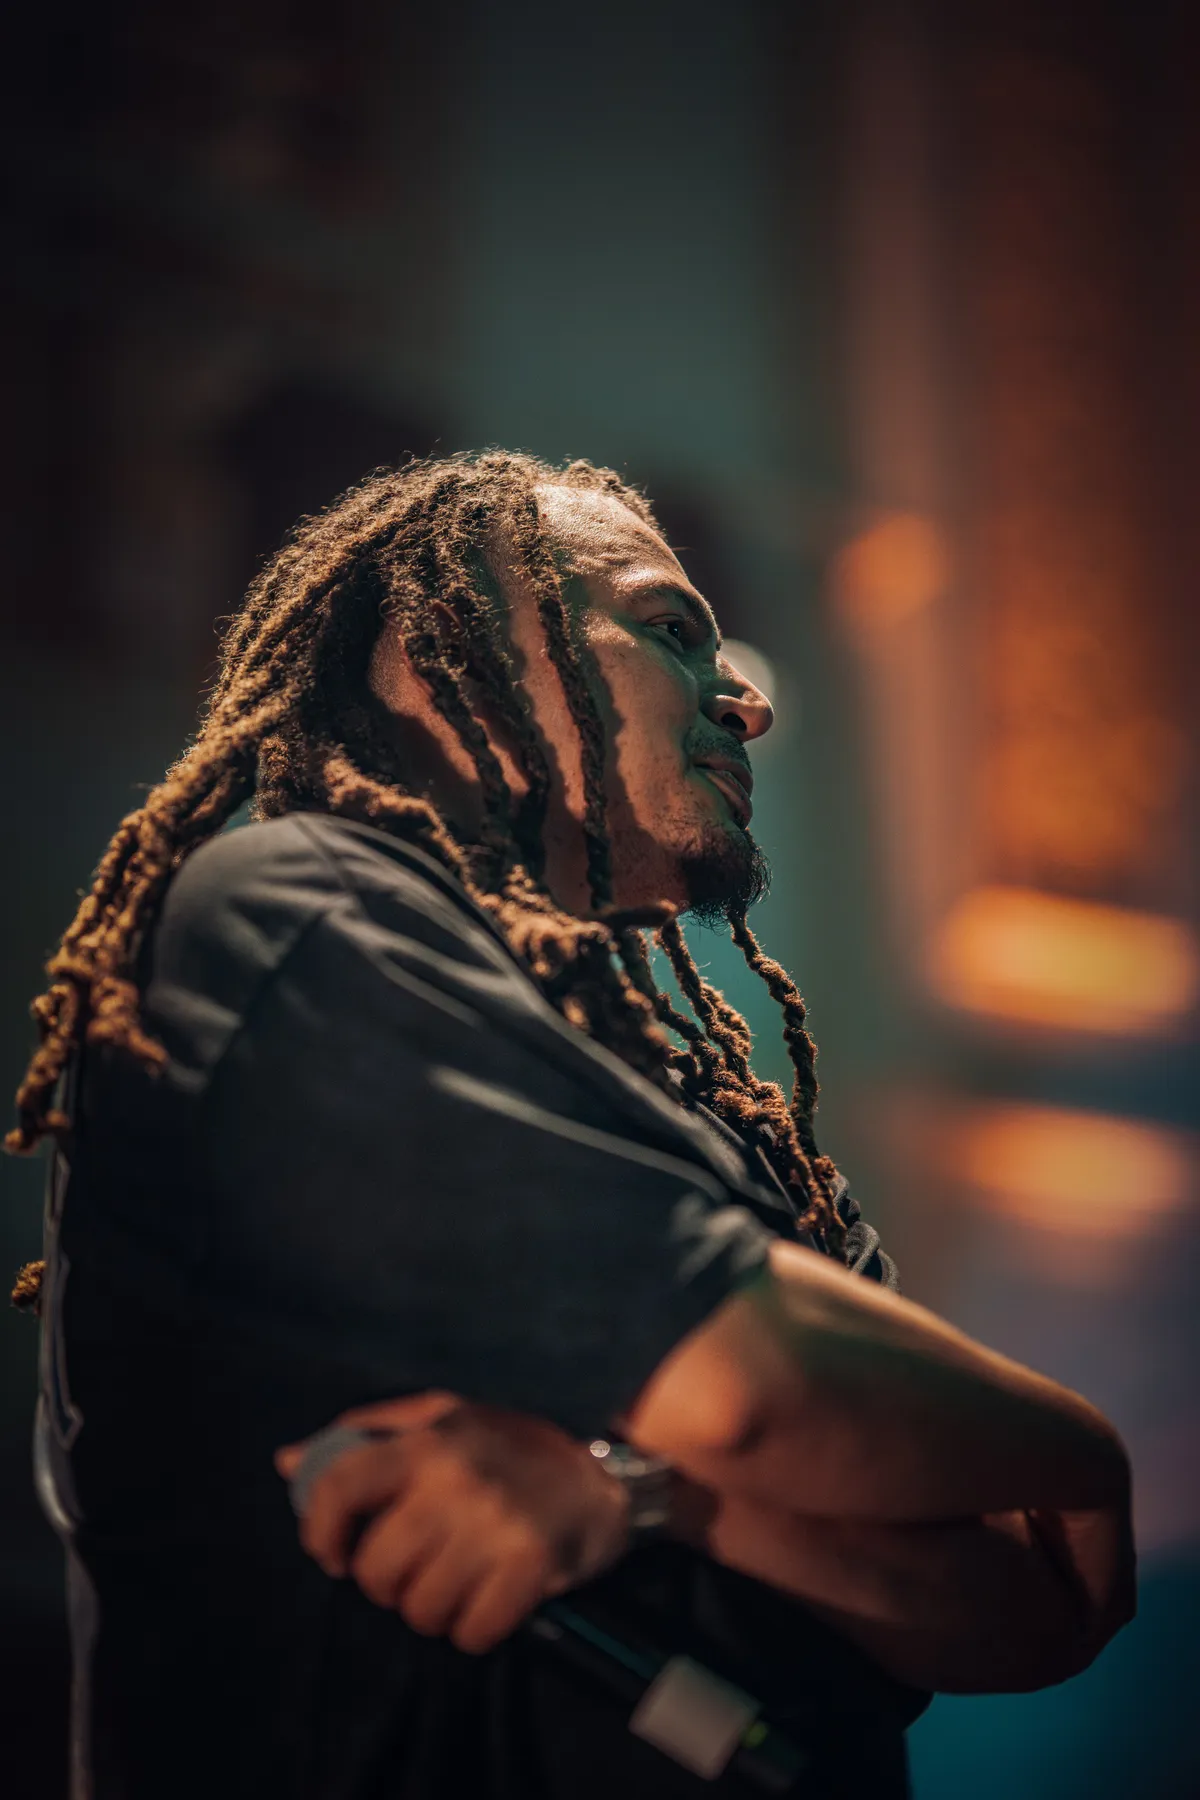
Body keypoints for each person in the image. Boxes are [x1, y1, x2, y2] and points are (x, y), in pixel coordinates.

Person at [8, 452, 1134, 1800]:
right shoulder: (297, 909)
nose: (750, 700)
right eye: (669, 629)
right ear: (451, 639)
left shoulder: (692, 1100)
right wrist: (1085, 1450)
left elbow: (1036, 1602)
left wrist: (635, 1493)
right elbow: (756, 1389)